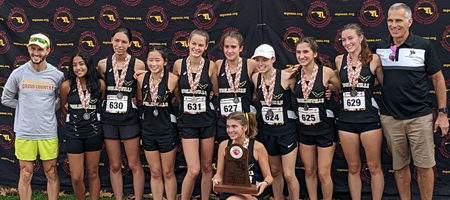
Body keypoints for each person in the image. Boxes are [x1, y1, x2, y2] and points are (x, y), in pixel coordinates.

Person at [372, 3, 449, 200]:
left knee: (424, 167)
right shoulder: (380, 47)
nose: (394, 25)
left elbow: (438, 79)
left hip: (419, 118)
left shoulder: (424, 46)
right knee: (399, 168)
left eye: (398, 20)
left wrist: (442, 113)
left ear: (410, 21)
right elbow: (366, 77)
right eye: (390, 20)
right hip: (390, 118)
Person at [1, 33, 64, 200]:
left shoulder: (56, 75)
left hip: (47, 132)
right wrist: (25, 107)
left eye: (40, 50)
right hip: (25, 132)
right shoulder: (18, 73)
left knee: (51, 172)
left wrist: (48, 108)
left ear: (48, 51)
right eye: (33, 49)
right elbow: (6, 99)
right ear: (28, 49)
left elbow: (63, 98)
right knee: (26, 173)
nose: (36, 53)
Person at [335, 23, 384, 200]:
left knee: (374, 167)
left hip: (369, 120)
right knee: (353, 167)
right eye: (344, 40)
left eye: (351, 38)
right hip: (346, 121)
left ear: (361, 37)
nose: (347, 43)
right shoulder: (340, 60)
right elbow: (339, 84)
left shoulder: (374, 59)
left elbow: (383, 83)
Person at [97, 27, 146, 200]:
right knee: (115, 164)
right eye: (117, 41)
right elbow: (101, 92)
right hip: (109, 119)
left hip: (129, 119)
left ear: (130, 44)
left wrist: (135, 99)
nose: (120, 45)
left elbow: (141, 93)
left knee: (133, 164)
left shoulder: (138, 64)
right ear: (111, 40)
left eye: (124, 42)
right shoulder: (103, 65)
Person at [289, 37, 340, 200]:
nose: (301, 55)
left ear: (315, 53)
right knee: (309, 171)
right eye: (298, 52)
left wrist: (329, 89)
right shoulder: (295, 74)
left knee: (324, 173)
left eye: (305, 52)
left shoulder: (326, 72)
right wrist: (295, 67)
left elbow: (341, 86)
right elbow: (277, 76)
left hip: (324, 128)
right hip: (304, 130)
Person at [172, 29, 219, 200]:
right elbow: (174, 88)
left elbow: (215, 89)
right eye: (194, 43)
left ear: (206, 46)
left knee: (207, 167)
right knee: (193, 169)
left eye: (201, 45)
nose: (196, 47)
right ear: (188, 43)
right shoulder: (178, 64)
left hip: (207, 121)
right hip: (187, 122)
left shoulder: (210, 65)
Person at [251, 44, 299, 200]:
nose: (260, 63)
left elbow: (303, 94)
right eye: (257, 60)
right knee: (275, 171)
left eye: (264, 60)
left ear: (273, 59)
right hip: (268, 131)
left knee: (289, 174)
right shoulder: (255, 77)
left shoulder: (286, 77)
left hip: (286, 131)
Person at [60, 51, 106, 200]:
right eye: (74, 65)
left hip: (94, 133)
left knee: (93, 172)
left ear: (88, 65)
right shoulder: (67, 86)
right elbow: (64, 109)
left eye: (81, 64)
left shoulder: (100, 84)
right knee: (76, 177)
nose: (78, 68)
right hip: (74, 134)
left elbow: (102, 104)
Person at [136, 46, 180, 200]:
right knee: (155, 172)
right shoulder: (141, 78)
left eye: (157, 60)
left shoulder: (173, 79)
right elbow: (140, 99)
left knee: (168, 172)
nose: (153, 63)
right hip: (148, 130)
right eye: (150, 60)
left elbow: (179, 100)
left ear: (165, 62)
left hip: (167, 130)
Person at [212, 111, 273, 200]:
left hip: (251, 191)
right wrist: (216, 180)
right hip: (229, 190)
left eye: (234, 126)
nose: (230, 130)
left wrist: (265, 183)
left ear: (244, 127)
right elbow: (219, 174)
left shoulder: (258, 147)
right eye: (228, 127)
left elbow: (269, 176)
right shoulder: (224, 145)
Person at [215, 31, 257, 142]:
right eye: (226, 47)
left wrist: (256, 93)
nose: (229, 51)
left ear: (241, 48)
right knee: (226, 154)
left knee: (247, 155)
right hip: (225, 122)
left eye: (233, 47)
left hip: (244, 121)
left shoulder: (250, 64)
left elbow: (267, 75)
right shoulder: (218, 65)